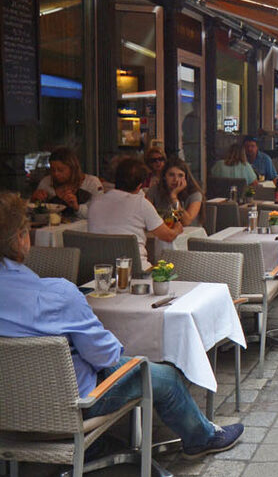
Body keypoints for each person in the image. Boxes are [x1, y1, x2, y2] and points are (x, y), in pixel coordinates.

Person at [0, 192, 242, 457]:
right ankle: (201, 439)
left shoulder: (51, 294)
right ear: (21, 239)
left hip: (9, 408)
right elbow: (105, 357)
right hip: (72, 404)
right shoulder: (56, 295)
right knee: (167, 378)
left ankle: (97, 446)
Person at [88, 157, 182, 268]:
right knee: (169, 270)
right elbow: (168, 236)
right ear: (139, 186)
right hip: (136, 270)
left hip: (102, 270)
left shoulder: (95, 203)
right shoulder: (141, 203)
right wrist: (177, 228)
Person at [30, 147, 103, 218]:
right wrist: (34, 200)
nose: (56, 174)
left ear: (73, 168)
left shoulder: (92, 183)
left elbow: (99, 214)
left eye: (60, 170)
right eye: (52, 170)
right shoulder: (46, 182)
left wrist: (77, 207)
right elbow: (36, 211)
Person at [146, 156, 204, 227]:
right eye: (171, 175)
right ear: (164, 176)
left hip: (190, 232)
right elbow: (145, 215)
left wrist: (174, 197)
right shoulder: (154, 190)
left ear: (186, 178)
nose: (176, 179)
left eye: (180, 175)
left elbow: (186, 222)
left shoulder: (194, 193)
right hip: (164, 231)